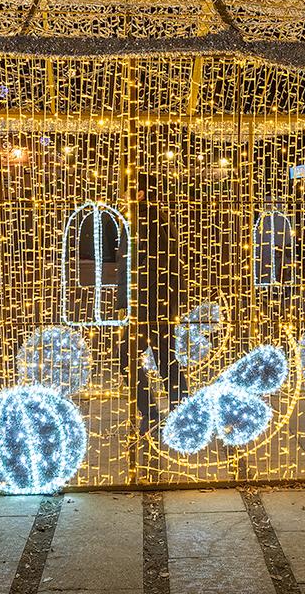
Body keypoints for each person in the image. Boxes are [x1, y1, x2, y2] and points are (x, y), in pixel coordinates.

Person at [131, 173, 187, 437]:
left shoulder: (147, 218)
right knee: (165, 357)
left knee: (128, 356)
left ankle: (155, 412)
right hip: (158, 301)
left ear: (140, 193)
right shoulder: (159, 217)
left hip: (151, 303)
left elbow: (152, 264)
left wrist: (138, 301)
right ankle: (182, 409)